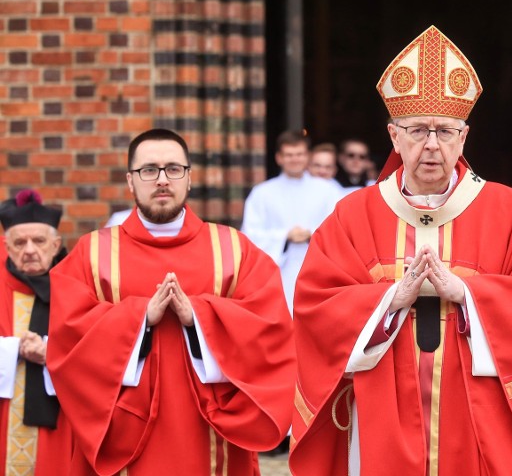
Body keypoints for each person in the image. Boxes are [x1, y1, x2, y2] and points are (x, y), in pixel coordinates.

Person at [289, 26, 512, 476]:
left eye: (444, 131)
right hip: (381, 408)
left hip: (477, 413)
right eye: (418, 130)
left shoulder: (507, 209)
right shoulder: (353, 214)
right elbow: (315, 307)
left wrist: (467, 294)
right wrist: (390, 300)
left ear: (464, 138)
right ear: (393, 136)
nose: (431, 144)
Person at [47, 128, 295, 475]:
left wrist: (199, 317)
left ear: (189, 179)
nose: (162, 180)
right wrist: (139, 318)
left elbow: (272, 332)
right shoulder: (93, 253)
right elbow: (67, 341)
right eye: (149, 170)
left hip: (211, 432)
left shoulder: (234, 250)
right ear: (131, 181)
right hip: (125, 433)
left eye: (174, 169)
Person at [0, 189, 72, 475]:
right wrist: (14, 348)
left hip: (61, 423)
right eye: (19, 242)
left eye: (39, 241)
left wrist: (50, 352)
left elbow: (97, 350)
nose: (29, 249)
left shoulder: (75, 288)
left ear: (55, 245)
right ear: (6, 246)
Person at [241, 130, 341, 312]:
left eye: (299, 154)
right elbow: (249, 236)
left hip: (318, 273)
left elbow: (340, 229)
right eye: (289, 155)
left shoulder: (328, 190)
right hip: (278, 275)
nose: (294, 159)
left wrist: (313, 233)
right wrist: (285, 236)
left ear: (307, 156)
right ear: (279, 158)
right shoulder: (262, 193)